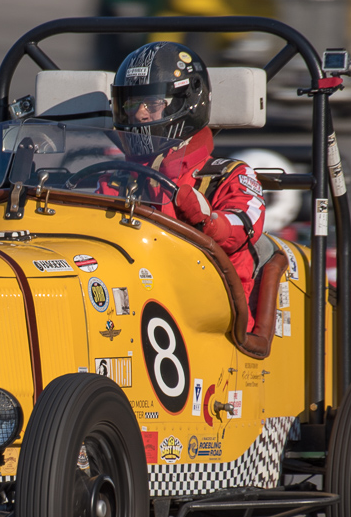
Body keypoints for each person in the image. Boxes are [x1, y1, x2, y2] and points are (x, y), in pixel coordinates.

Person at [108, 42, 267, 321]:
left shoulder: (228, 175)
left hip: (210, 312)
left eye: (153, 103)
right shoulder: (114, 177)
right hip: (131, 292)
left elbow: (244, 224)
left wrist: (209, 222)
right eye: (132, 103)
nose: (140, 114)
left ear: (187, 103)